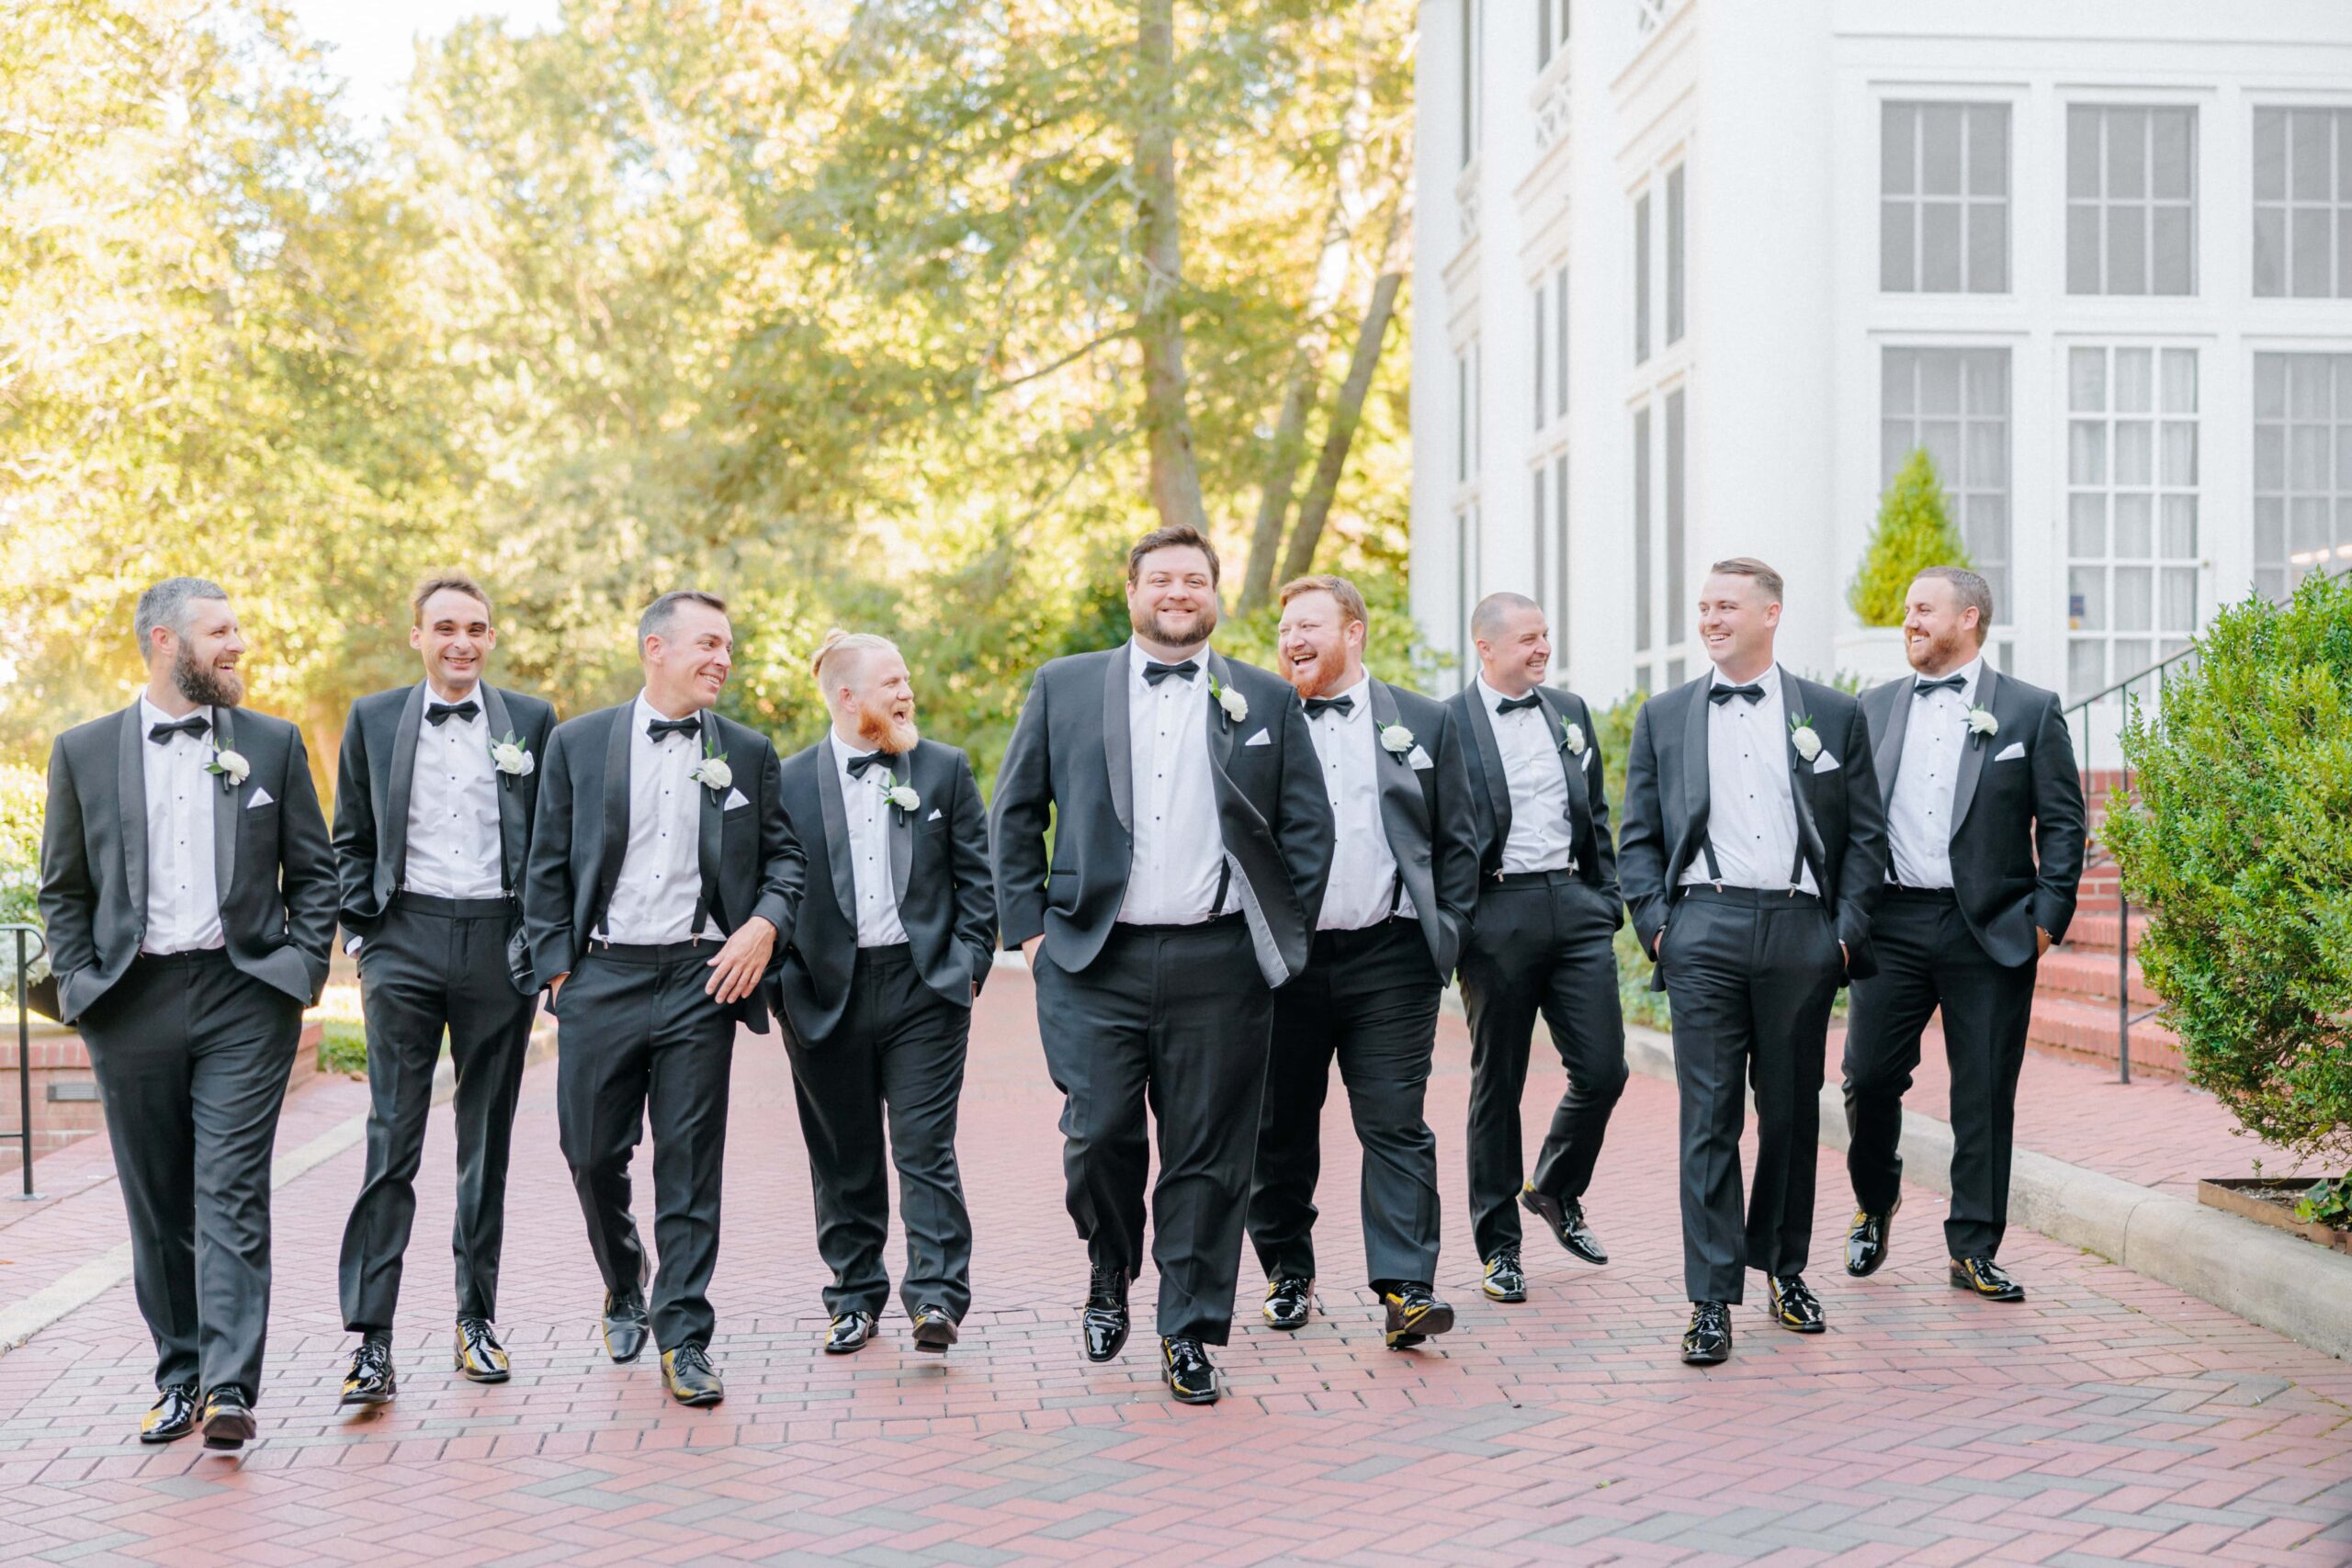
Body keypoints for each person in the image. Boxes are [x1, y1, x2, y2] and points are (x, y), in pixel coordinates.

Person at [989, 524, 1330, 1405]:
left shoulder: (1266, 699)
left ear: (1217, 595)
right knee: (1098, 1130)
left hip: (1222, 960)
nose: (1179, 593)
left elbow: (1307, 830)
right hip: (1093, 957)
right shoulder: (1064, 686)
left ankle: (1189, 1330)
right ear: (1132, 589)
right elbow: (1014, 812)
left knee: (1210, 1154)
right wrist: (1031, 936)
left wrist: (1276, 935)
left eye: (1195, 580)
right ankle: (1109, 1267)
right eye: (1162, 579)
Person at [37, 578, 335, 1450]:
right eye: (221, 631)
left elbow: (314, 875)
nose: (238, 643)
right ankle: (180, 1374)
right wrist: (86, 985)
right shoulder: (84, 752)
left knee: (230, 1191)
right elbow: (64, 888)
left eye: (238, 627)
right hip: (131, 1002)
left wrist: (300, 968)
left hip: (245, 996)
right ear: (165, 641)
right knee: (158, 1201)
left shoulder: (273, 746)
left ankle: (230, 1388)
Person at [523, 590, 805, 1407]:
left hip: (699, 978)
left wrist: (761, 926)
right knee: (590, 1154)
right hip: (599, 976)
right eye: (708, 644)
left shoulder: (747, 751)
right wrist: (558, 971)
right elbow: (544, 864)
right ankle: (623, 1278)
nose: (723, 659)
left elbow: (787, 863)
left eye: (728, 647)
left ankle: (684, 1335)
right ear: (655, 647)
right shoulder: (578, 744)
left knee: (689, 1166)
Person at [1618, 558, 1887, 1365]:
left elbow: (1865, 834)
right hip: (1704, 927)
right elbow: (1638, 837)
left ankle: (1784, 1269)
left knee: (1792, 1114)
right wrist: (1661, 928)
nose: (1710, 618)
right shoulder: (1664, 715)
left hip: (1801, 932)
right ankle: (1709, 1297)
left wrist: (1841, 933)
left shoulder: (1834, 715)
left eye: (1726, 606)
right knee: (1708, 1117)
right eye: (1703, 606)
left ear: (1771, 613)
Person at [330, 575, 557, 1406]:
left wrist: (536, 936)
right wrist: (365, 933)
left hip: (500, 942)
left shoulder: (530, 721)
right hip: (407, 939)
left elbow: (550, 839)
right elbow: (349, 834)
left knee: (485, 1141)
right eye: (446, 628)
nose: (463, 642)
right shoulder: (374, 717)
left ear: (492, 638)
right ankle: (372, 1341)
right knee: (393, 1138)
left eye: (478, 628)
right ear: (417, 636)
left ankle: (476, 1320)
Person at [1246, 575, 1478, 1348]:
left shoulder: (1425, 720)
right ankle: (1287, 1271)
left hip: (1391, 958)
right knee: (1278, 1127)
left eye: (1308, 624)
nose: (1292, 640)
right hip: (1286, 962)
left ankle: (1408, 1288)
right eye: (1284, 629)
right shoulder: (1253, 722)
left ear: (1355, 633)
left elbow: (1461, 840)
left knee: (1395, 1124)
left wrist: (1443, 932)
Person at [1842, 568, 2085, 1302]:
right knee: (1869, 1078)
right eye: (1908, 608)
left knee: (1982, 1094)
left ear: (1969, 618)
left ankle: (1973, 1245)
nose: (1908, 620)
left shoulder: (2028, 710)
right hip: (1893, 923)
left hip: (1991, 930)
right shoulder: (1873, 707)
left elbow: (2066, 822)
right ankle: (1875, 1198)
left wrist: (2046, 921)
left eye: (1923, 608)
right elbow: (1847, 820)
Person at [773, 630, 996, 1356]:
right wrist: (781, 985)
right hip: (822, 990)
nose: (906, 693)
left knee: (924, 1145)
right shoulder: (789, 780)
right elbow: (763, 885)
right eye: (890, 682)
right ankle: (854, 1295)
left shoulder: (944, 769)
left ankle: (936, 1295)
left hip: (923, 985)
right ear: (847, 698)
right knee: (842, 1152)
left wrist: (967, 965)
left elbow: (977, 881)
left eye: (906, 679)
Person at [1444, 592, 1629, 1305]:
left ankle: (1553, 1186)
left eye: (1545, 635)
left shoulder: (1570, 713)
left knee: (1604, 1069)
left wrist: (1604, 896)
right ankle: (1499, 1250)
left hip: (1575, 907)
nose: (1542, 648)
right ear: (1486, 647)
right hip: (1496, 913)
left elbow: (1597, 811)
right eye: (1527, 638)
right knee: (1500, 1083)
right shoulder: (1448, 723)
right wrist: (1460, 921)